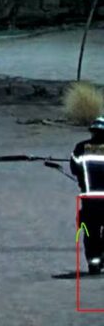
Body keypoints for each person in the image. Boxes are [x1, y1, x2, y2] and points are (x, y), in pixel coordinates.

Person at [70, 117, 104, 274]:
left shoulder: (80, 148)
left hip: (90, 200)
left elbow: (74, 169)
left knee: (91, 232)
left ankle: (94, 263)